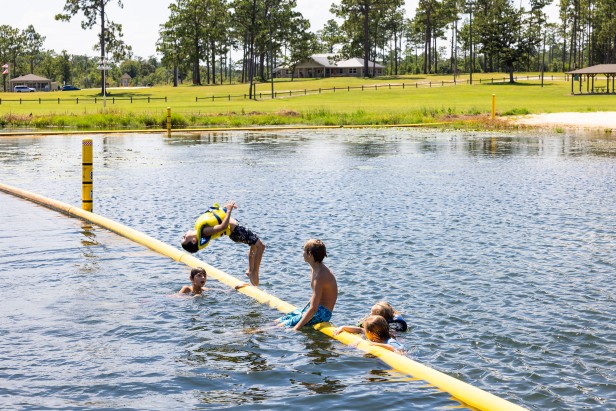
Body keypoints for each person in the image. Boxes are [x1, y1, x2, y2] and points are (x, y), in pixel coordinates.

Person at [181, 201, 265, 287]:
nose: (183, 235)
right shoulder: (204, 232)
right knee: (261, 246)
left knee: (254, 245)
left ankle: (250, 270)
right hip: (237, 232)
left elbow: (218, 217)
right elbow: (223, 226)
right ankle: (254, 272)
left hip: (236, 231)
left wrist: (225, 208)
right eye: (184, 238)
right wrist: (228, 210)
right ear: (194, 240)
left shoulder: (200, 229)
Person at [276, 239, 337, 331]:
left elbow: (314, 308)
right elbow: (314, 300)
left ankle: (256, 332)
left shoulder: (320, 276)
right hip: (315, 308)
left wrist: (296, 328)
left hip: (322, 313)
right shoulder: (314, 269)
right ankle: (257, 330)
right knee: (279, 321)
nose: (302, 253)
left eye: (304, 250)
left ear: (310, 254)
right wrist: (303, 311)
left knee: (283, 326)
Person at [334, 315, 405, 353]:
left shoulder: (390, 341)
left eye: (366, 329)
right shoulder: (375, 334)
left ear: (370, 333)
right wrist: (343, 327)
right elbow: (359, 330)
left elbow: (395, 349)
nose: (364, 331)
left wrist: (375, 344)